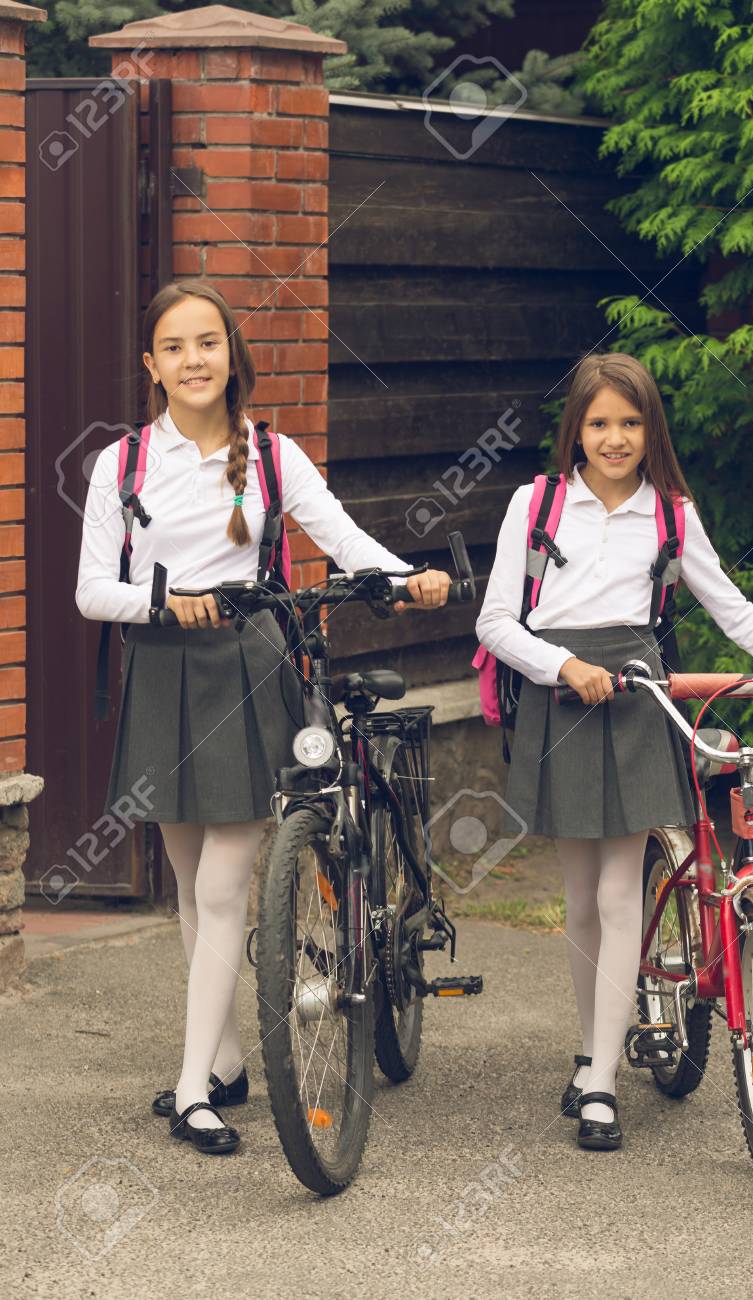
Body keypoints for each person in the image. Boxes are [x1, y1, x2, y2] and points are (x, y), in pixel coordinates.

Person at [75, 279, 451, 1155]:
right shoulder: (122, 464)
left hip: (251, 666)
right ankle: (229, 1061)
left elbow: (345, 539)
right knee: (187, 886)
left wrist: (406, 578)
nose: (193, 360)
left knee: (221, 886)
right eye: (174, 347)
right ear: (151, 366)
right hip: (165, 670)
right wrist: (167, 608)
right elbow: (94, 590)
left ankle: (191, 1088)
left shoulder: (275, 457)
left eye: (207, 342)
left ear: (230, 356)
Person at [475, 351, 753, 1151]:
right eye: (599, 423)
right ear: (576, 432)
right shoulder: (537, 503)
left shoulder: (671, 515)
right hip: (564, 698)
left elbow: (735, 612)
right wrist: (566, 667)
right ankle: (593, 1047)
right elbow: (494, 624)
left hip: (635, 697)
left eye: (631, 422)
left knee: (622, 892)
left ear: (651, 429)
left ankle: (599, 1084)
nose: (615, 438)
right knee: (582, 896)